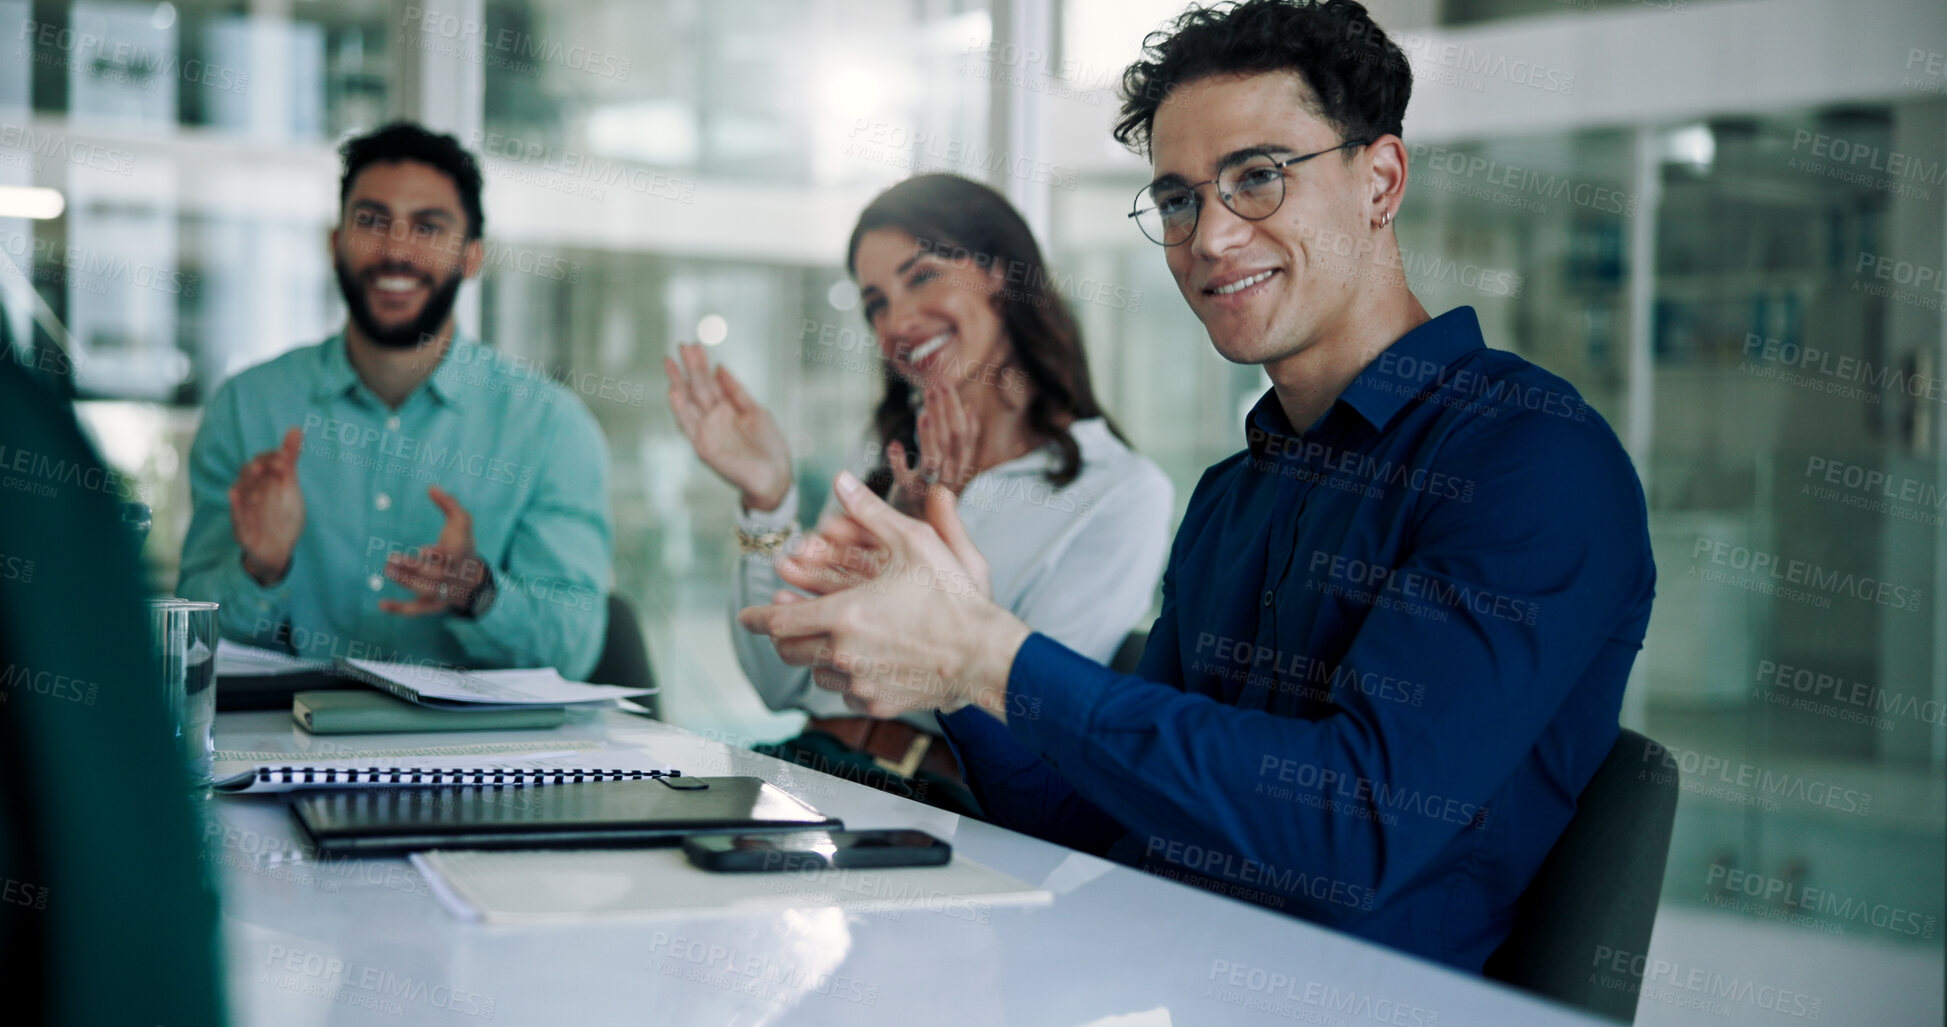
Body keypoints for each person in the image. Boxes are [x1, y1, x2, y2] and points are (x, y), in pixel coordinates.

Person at [739, 0, 1655, 974]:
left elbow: (1350, 831)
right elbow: (1093, 819)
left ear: (1380, 180)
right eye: (1178, 199)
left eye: (1257, 177)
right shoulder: (1232, 493)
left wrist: (990, 654)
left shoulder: (1530, 459)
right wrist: (959, 663)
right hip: (1155, 981)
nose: (1210, 237)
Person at [666, 173, 1173, 812]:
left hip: (935, 805)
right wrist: (769, 499)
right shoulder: (887, 457)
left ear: (997, 272)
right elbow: (778, 682)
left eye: (922, 276)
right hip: (805, 771)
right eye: (875, 302)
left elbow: (1039, 734)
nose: (898, 321)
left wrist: (926, 552)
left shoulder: (1119, 492)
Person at [179, 122, 612, 678]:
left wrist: (479, 592)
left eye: (428, 228)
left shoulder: (552, 429)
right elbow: (192, 645)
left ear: (471, 257)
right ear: (335, 243)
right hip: (282, 752)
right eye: (372, 221)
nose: (396, 250)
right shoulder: (247, 409)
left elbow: (573, 652)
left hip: (477, 759)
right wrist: (260, 569)